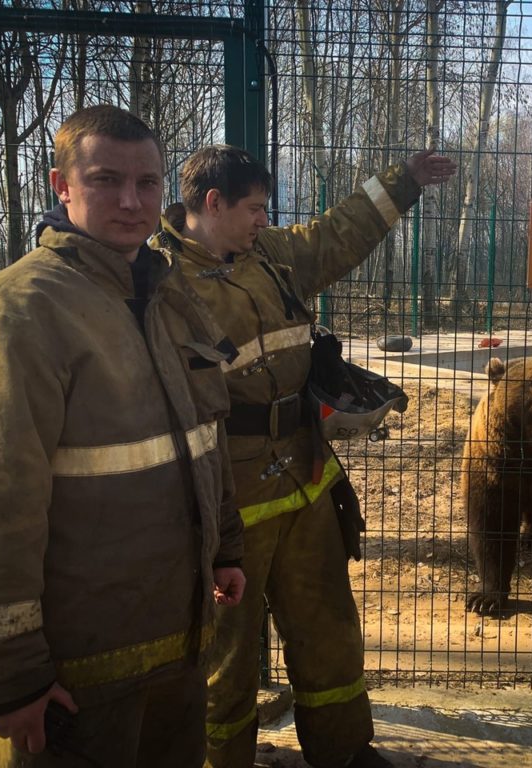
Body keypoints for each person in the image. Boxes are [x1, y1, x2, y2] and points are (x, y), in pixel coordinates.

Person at [0, 105, 246, 767]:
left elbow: (201, 439)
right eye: (106, 180)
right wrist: (8, 676)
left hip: (175, 651)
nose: (132, 202)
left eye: (148, 183)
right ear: (61, 185)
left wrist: (226, 547)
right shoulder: (16, 313)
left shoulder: (162, 299)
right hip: (70, 684)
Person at [153, 144, 456, 768]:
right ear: (213, 204)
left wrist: (405, 182)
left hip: (306, 479)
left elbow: (338, 233)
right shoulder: (159, 282)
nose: (266, 219)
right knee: (224, 660)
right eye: (256, 209)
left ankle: (345, 752)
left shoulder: (271, 257)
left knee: (329, 632)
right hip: (226, 504)